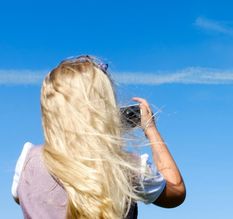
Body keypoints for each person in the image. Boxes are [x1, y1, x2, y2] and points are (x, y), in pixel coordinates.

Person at [11, 55, 186, 218]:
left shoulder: (27, 159)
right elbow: (176, 192)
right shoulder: (127, 168)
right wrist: (150, 129)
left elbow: (26, 196)